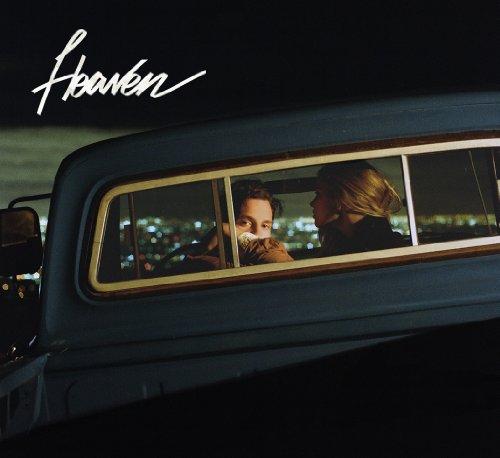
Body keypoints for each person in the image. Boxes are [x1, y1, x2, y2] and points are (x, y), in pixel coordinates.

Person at [163, 179, 292, 273]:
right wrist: (245, 238)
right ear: (227, 225)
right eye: (245, 223)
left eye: (265, 225)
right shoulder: (208, 265)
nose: (257, 234)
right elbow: (283, 266)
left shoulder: (253, 262)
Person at [310, 160, 408, 257]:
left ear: (340, 197)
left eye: (318, 194)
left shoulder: (384, 253)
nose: (312, 203)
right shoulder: (339, 246)